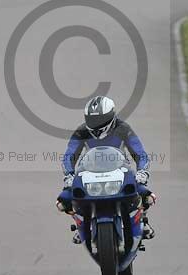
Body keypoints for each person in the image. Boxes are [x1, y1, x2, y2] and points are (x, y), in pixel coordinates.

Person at [56, 95, 156, 243]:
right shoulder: (82, 131)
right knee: (63, 200)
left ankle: (143, 220)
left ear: (111, 116)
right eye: (91, 119)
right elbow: (68, 156)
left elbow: (140, 153)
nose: (95, 124)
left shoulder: (123, 129)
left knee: (146, 195)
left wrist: (142, 173)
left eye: (99, 120)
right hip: (90, 172)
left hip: (120, 171)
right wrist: (69, 176)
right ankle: (82, 224)